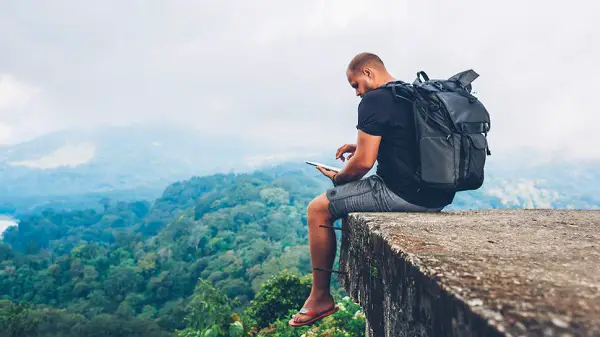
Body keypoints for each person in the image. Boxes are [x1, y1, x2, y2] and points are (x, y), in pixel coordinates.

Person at [288, 52, 456, 327]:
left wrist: (339, 178)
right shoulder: (411, 93)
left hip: (402, 193)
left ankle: (320, 297)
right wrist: (361, 146)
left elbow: (363, 164)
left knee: (317, 209)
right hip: (437, 195)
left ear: (368, 72)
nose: (357, 93)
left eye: (355, 84)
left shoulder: (375, 100)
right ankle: (319, 296)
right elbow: (410, 141)